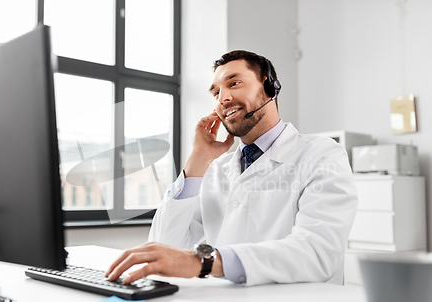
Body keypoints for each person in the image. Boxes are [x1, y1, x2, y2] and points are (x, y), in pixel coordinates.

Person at [106, 50, 358, 286]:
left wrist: (206, 262)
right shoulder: (216, 169)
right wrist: (198, 159)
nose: (223, 98)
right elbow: (164, 247)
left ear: (270, 87)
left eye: (234, 83)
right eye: (216, 93)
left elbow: (318, 253)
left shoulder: (322, 154)